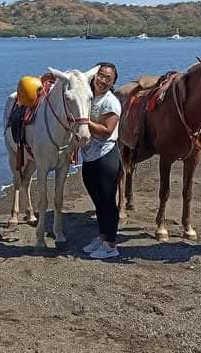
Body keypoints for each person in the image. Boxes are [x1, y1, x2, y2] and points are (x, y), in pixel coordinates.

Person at [79, 62, 123, 259]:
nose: (103, 81)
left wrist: (86, 122)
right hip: (89, 157)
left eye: (108, 78)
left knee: (108, 202)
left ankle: (111, 245)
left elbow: (106, 132)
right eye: (101, 76)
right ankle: (102, 237)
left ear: (113, 82)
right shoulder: (91, 97)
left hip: (106, 157)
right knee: (98, 202)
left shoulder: (110, 102)